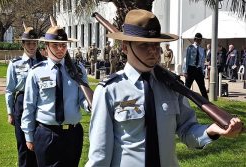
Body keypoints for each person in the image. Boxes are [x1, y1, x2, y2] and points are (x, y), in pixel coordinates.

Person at [85, 9, 242, 167]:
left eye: (156, 44)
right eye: (144, 45)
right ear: (125, 48)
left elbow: (187, 130)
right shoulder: (109, 90)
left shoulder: (171, 86)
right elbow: (100, 155)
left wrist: (212, 130)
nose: (153, 51)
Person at [21, 26, 89, 167]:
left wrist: (90, 105)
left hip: (73, 134)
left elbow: (83, 97)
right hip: (47, 133)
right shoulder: (36, 72)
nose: (60, 49)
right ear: (46, 46)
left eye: (63, 45)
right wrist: (28, 135)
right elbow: (29, 106)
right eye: (55, 45)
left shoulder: (77, 69)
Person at [5, 26, 44, 167]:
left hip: (40, 103)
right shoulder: (15, 64)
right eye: (28, 43)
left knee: (39, 142)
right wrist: (10, 113)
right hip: (21, 104)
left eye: (34, 43)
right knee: (23, 144)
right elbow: (9, 90)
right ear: (23, 44)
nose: (32, 46)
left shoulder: (44, 62)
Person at [183, 33, 208, 99]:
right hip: (191, 69)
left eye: (200, 40)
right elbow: (186, 59)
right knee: (187, 87)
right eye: (198, 39)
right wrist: (185, 71)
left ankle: (207, 103)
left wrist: (202, 71)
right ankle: (182, 101)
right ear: (195, 39)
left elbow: (202, 61)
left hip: (198, 69)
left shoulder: (202, 49)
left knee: (202, 87)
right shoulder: (190, 47)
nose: (199, 41)